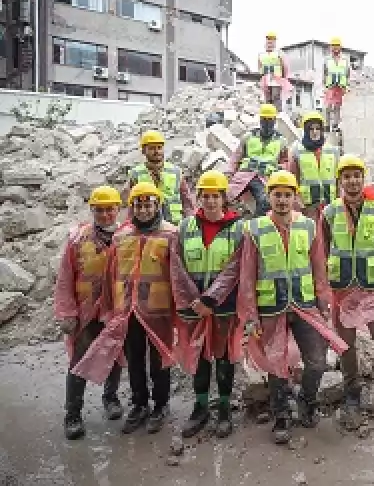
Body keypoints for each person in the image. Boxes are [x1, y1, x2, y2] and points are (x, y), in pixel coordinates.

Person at [201, 170, 347, 444]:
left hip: (304, 305)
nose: (282, 200)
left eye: (287, 195)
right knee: (276, 363)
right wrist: (251, 316)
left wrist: (324, 300)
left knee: (316, 361)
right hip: (271, 308)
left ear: (295, 197)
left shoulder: (308, 226)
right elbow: (246, 276)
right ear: (268, 197)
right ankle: (281, 415)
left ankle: (306, 400)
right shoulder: (254, 229)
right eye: (277, 194)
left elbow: (318, 268)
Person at [72, 182, 179, 435]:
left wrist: (179, 310)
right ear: (132, 207)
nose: (143, 209)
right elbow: (112, 276)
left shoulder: (171, 234)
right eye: (138, 204)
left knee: (159, 361)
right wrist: (111, 310)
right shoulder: (121, 237)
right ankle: (139, 404)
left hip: (158, 310)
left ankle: (161, 406)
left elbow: (178, 275)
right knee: (134, 360)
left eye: (148, 203)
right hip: (129, 311)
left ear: (157, 205)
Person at [321, 154, 374, 430]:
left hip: (371, 287)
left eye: (357, 176)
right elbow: (322, 248)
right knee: (345, 345)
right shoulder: (329, 213)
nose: (353, 181)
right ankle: (351, 394)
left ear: (363, 178)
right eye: (347, 176)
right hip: (343, 288)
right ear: (340, 181)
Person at [172, 171, 245, 439]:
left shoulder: (239, 228)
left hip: (224, 306)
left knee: (224, 357)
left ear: (224, 198)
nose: (211, 201)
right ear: (199, 197)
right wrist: (195, 300)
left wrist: (210, 299)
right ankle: (200, 407)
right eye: (206, 196)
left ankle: (224, 409)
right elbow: (177, 266)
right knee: (200, 356)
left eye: (216, 196)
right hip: (194, 306)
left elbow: (236, 268)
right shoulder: (185, 227)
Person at [55, 186, 124, 440]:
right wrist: (66, 312)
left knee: (115, 355)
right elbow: (64, 277)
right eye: (99, 210)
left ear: (118, 209)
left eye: (109, 209)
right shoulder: (78, 238)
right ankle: (72, 415)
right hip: (86, 312)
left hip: (115, 311)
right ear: (92, 210)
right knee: (79, 361)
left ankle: (111, 397)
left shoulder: (125, 236)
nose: (105, 214)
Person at [226, 103, 289, 216]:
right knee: (224, 197)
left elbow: (285, 161)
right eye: (264, 120)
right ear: (260, 120)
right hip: (244, 175)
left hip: (263, 178)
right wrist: (229, 173)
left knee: (266, 202)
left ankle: (255, 225)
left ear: (274, 121)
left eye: (270, 120)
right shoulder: (249, 137)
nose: (267, 123)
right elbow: (236, 156)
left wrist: (280, 170)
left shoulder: (281, 141)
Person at [128, 130, 194, 226]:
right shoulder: (136, 174)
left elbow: (187, 202)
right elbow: (131, 205)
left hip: (174, 226)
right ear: (143, 151)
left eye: (159, 147)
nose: (156, 151)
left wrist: (190, 224)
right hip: (147, 227)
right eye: (152, 148)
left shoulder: (176, 171)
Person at [287, 111, 340, 222]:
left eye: (318, 128)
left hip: (330, 204)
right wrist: (298, 203)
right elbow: (292, 181)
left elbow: (338, 180)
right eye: (311, 129)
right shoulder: (297, 151)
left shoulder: (332, 150)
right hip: (308, 206)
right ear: (306, 131)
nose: (315, 132)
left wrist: (339, 202)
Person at [258, 31, 293, 111]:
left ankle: (277, 114)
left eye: (272, 41)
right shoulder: (262, 54)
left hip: (277, 79)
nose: (270, 42)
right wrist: (262, 76)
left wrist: (283, 78)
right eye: (268, 40)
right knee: (267, 99)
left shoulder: (279, 53)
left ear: (275, 42)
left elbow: (284, 66)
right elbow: (260, 67)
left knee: (275, 97)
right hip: (266, 79)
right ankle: (268, 114)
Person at [324, 37, 350, 132]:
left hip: (340, 86)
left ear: (340, 47)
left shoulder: (345, 60)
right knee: (327, 106)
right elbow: (325, 73)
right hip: (330, 86)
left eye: (337, 46)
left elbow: (347, 74)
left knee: (337, 107)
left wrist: (345, 85)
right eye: (333, 46)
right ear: (331, 47)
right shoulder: (327, 59)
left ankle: (335, 125)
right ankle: (326, 125)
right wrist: (325, 86)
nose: (335, 48)